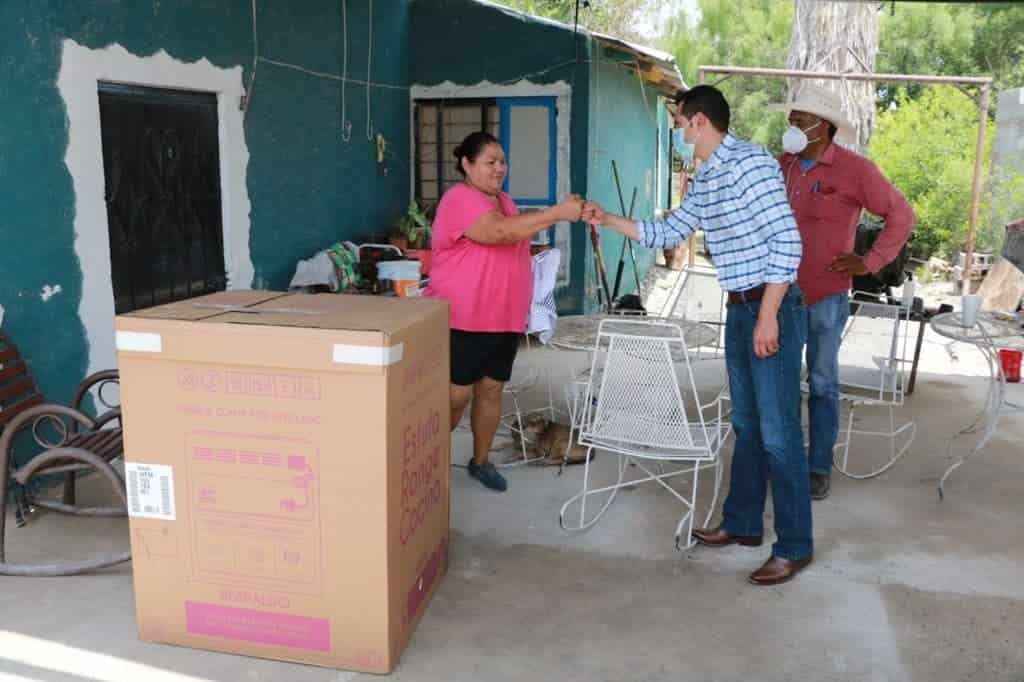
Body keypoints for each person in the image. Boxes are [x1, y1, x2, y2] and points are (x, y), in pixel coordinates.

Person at [582, 86, 812, 586]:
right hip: (740, 307)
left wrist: (770, 315)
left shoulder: (750, 163)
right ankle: (743, 524)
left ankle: (794, 545)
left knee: (779, 434)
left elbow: (788, 243)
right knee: (748, 426)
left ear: (700, 122)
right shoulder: (706, 176)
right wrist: (609, 219)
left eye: (681, 124)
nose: (678, 132)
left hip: (770, 306)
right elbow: (670, 231)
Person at [424, 131, 583, 492]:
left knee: (492, 390)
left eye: (502, 162)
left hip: (503, 317)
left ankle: (480, 461)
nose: (499, 169)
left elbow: (510, 237)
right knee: (456, 395)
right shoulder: (459, 198)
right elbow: (496, 233)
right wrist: (558, 213)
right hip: (464, 317)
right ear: (466, 164)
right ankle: (422, 461)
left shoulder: (505, 201)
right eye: (490, 162)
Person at [778, 84, 915, 501]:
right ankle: (782, 460)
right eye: (792, 116)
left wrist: (870, 261)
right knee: (780, 382)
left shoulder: (856, 171)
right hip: (779, 295)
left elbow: (901, 215)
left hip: (825, 296)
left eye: (800, 117)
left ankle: (818, 466)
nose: (793, 123)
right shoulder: (782, 164)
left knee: (821, 382)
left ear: (824, 126)